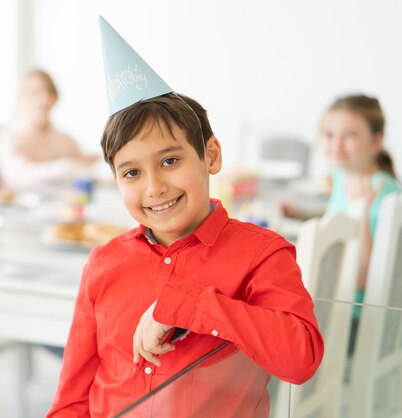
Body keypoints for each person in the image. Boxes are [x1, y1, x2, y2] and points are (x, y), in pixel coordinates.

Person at [47, 18, 324, 417]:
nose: (154, 187)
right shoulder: (103, 264)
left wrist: (186, 305)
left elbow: (301, 360)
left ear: (211, 155)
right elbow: (71, 401)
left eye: (170, 160)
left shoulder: (262, 254)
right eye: (132, 173)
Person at [281, 95, 400, 309]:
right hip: (329, 290)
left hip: (351, 312)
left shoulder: (385, 194)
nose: (337, 144)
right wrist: (302, 214)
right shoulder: (342, 175)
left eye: (350, 135)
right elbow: (339, 217)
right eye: (329, 134)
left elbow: (365, 279)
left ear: (376, 141)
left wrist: (363, 212)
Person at [0, 69, 99, 192]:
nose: (44, 100)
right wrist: (65, 167)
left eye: (49, 92)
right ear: (20, 99)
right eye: (35, 93)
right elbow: (17, 176)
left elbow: (83, 167)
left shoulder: (66, 139)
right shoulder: (8, 137)